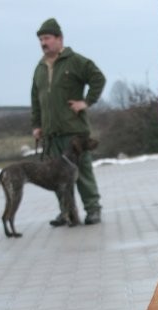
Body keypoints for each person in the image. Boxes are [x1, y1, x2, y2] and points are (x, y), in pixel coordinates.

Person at [31, 18, 106, 227]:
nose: (43, 43)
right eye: (40, 39)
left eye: (47, 38)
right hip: (51, 133)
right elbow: (35, 99)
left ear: (59, 38)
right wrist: (37, 125)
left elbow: (98, 78)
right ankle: (66, 212)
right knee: (57, 176)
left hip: (74, 133)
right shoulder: (39, 68)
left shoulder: (76, 61)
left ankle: (93, 209)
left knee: (82, 173)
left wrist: (86, 102)